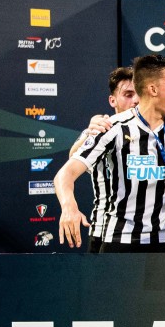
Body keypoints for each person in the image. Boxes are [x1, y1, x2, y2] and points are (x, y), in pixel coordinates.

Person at [55, 54, 165, 252]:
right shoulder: (113, 127)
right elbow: (66, 173)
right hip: (120, 241)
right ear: (153, 89)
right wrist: (68, 205)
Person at [66, 67, 139, 252]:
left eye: (139, 94)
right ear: (112, 100)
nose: (135, 101)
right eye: (128, 94)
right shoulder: (100, 128)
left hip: (151, 235)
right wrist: (90, 134)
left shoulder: (158, 129)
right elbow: (73, 157)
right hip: (104, 231)